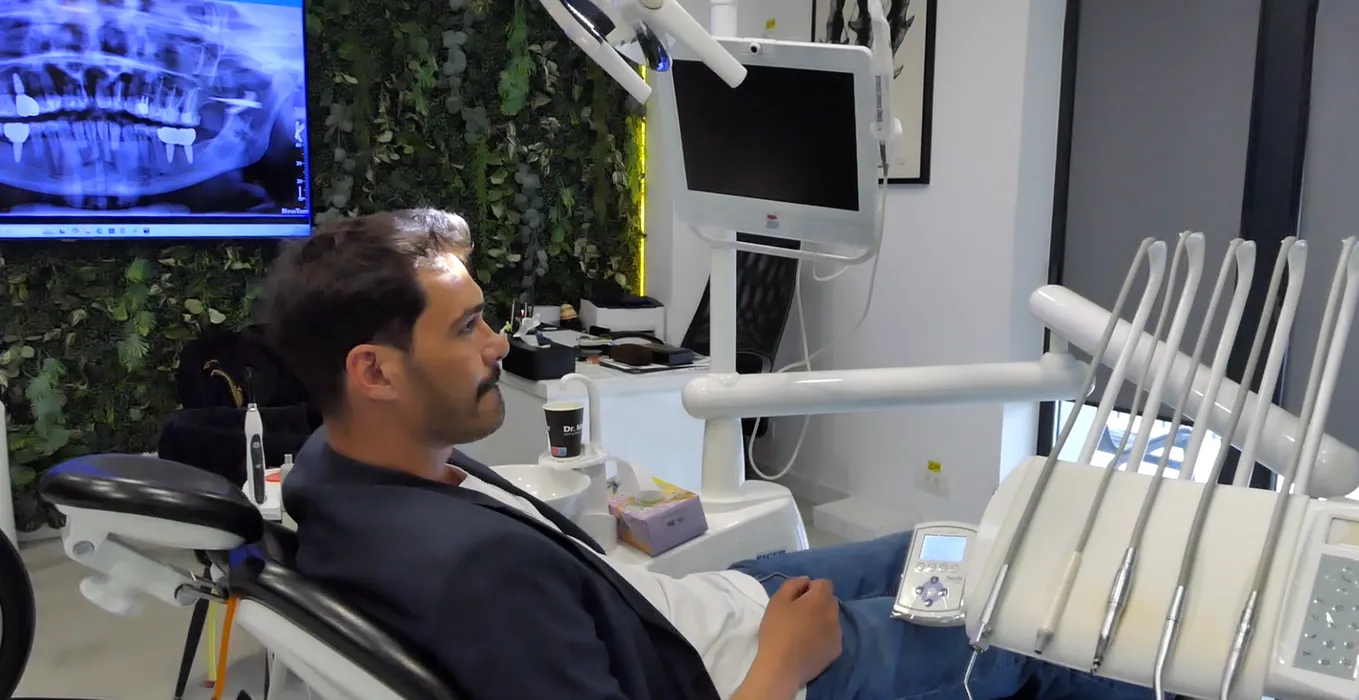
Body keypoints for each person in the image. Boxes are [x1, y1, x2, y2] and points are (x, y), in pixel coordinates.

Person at [265, 209, 1151, 700]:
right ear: (373, 371)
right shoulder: (474, 577)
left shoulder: (331, 470)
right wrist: (784, 661)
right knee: (1040, 633)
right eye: (466, 329)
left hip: (700, 607)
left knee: (946, 545)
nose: (499, 343)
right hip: (747, 669)